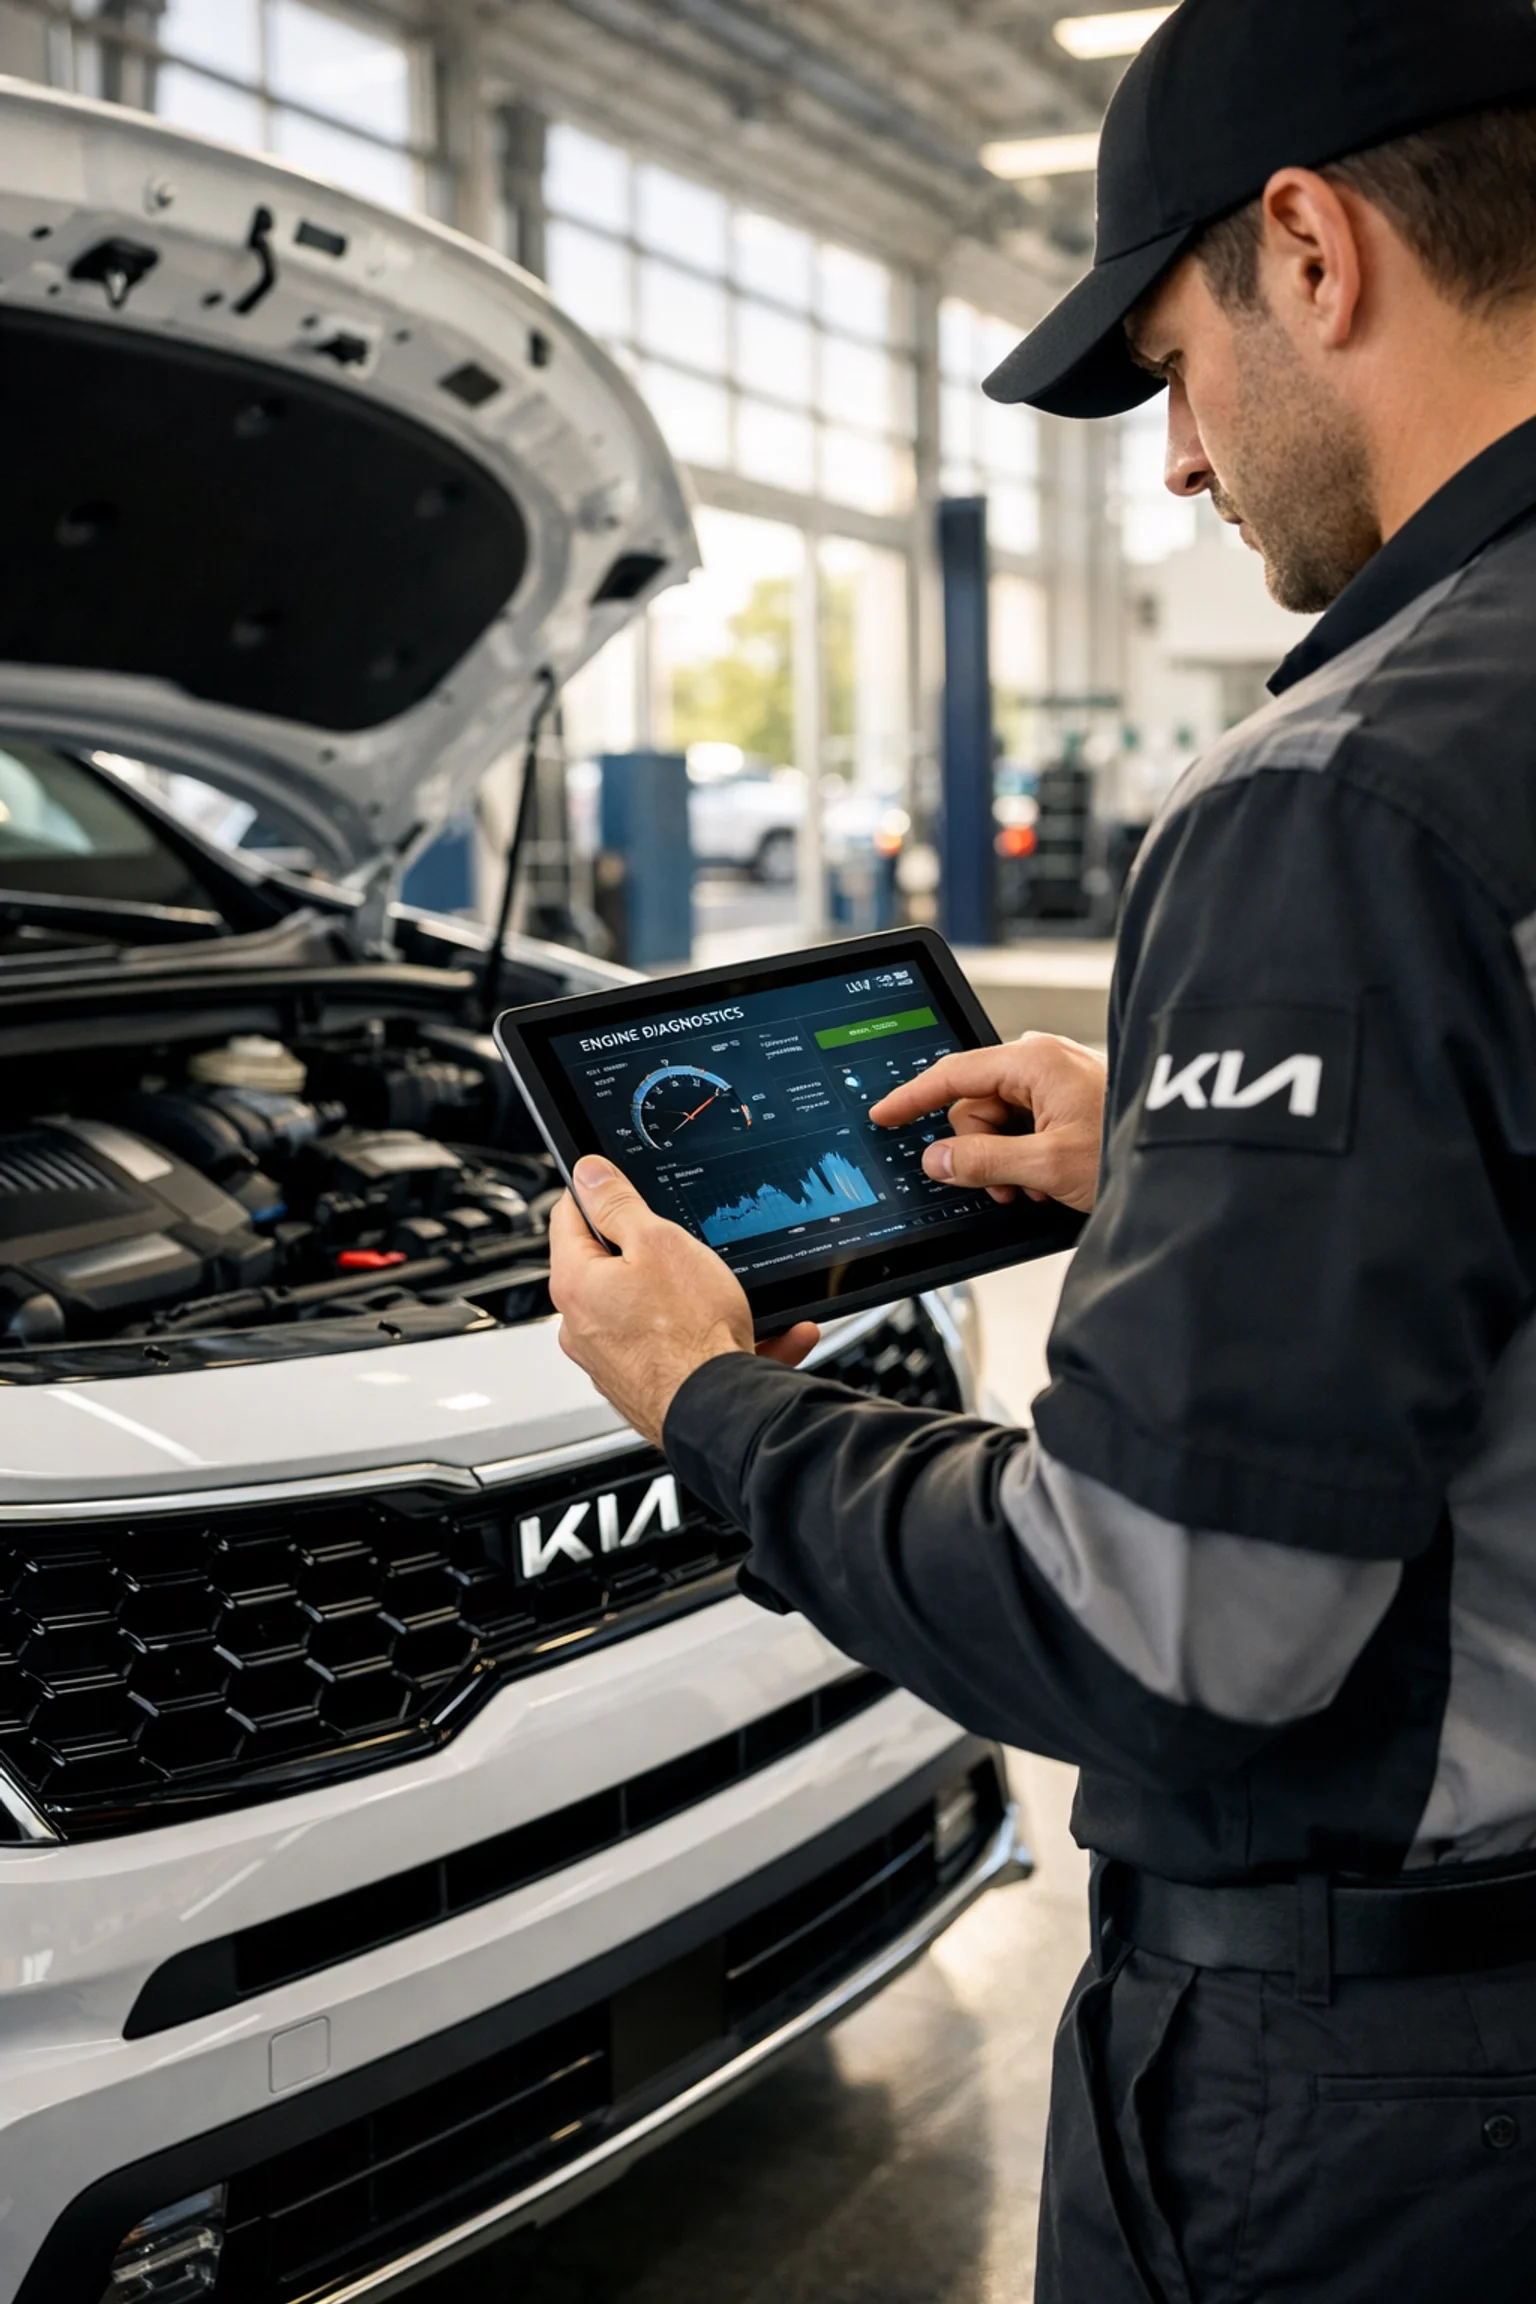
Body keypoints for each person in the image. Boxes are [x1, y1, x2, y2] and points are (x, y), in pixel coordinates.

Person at [548, 0, 1536, 2293]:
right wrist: (1216, 1179)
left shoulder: (1347, 793)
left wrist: (714, 1403)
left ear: (1310, 252)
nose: (1180, 462)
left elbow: (1173, 1634)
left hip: (1390, 2109)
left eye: (1171, 358)